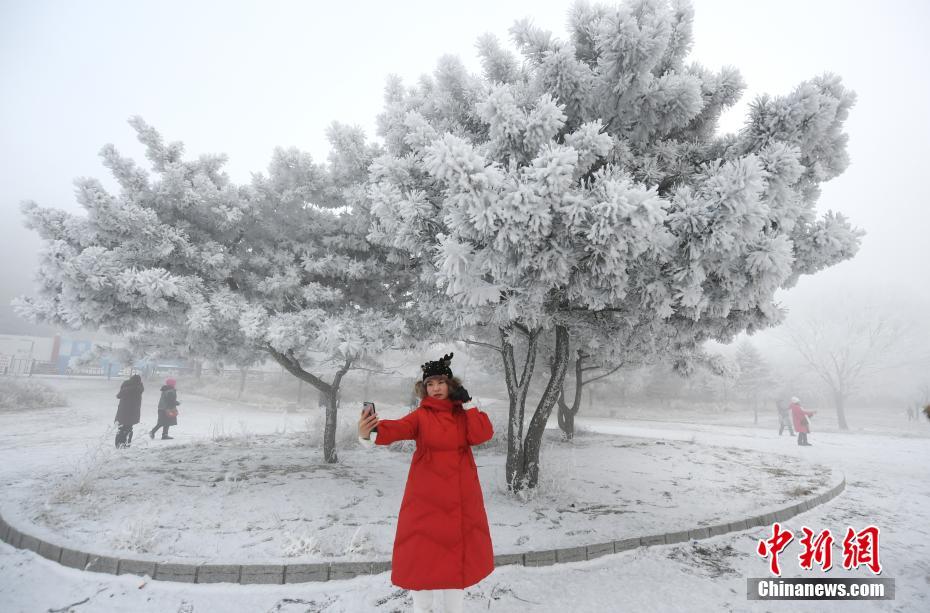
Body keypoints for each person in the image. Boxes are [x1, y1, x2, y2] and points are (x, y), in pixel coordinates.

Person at [358, 352, 494, 613]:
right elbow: (397, 428)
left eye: (441, 382)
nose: (436, 388)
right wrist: (369, 433)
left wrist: (468, 405)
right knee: (421, 556)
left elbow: (481, 434)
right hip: (425, 498)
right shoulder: (421, 415)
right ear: (424, 388)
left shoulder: (463, 414)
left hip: (461, 496)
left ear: (451, 385)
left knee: (457, 560)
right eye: (430, 384)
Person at [114, 374, 144, 448]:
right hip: (133, 413)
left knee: (121, 428)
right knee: (129, 429)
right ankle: (127, 444)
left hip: (123, 412)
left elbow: (118, 396)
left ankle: (118, 444)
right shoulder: (139, 388)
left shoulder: (126, 387)